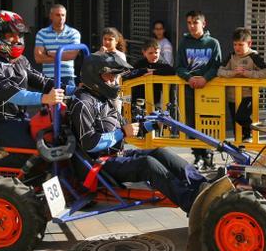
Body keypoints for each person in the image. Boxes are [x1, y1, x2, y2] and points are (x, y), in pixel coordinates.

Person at [68, 53, 206, 212]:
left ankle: (201, 185)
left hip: (115, 156)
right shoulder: (83, 103)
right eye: (109, 76)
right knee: (147, 164)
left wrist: (152, 124)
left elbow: (126, 128)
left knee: (160, 152)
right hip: (98, 164)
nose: (113, 81)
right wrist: (122, 133)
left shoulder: (101, 97)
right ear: (95, 76)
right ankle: (190, 201)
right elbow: (90, 144)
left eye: (114, 76)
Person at [0, 10, 65, 150]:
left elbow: (43, 81)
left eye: (19, 35)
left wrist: (78, 89)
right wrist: (45, 98)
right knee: (41, 147)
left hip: (18, 119)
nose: (17, 39)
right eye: (11, 35)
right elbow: (9, 92)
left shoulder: (20, 60)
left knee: (55, 136)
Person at [176, 10, 222, 168]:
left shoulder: (213, 43)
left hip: (209, 90)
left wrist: (205, 78)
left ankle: (209, 155)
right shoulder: (183, 43)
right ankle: (197, 156)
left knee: (209, 123)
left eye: (195, 22)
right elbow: (178, 67)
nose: (192, 26)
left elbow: (217, 66)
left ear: (203, 23)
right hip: (189, 89)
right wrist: (189, 78)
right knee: (191, 124)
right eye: (189, 23)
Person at [218, 27, 266, 142]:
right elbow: (220, 71)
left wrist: (248, 73)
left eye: (241, 45)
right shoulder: (231, 56)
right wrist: (233, 73)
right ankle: (238, 152)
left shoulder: (254, 56)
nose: (237, 48)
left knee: (241, 117)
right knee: (236, 125)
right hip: (232, 97)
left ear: (249, 43)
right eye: (235, 44)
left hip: (248, 95)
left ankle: (250, 132)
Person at [34, 4, 81, 87]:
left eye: (63, 15)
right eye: (58, 15)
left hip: (67, 77)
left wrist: (50, 53)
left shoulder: (73, 33)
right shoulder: (41, 33)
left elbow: (72, 55)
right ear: (51, 16)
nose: (61, 18)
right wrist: (61, 55)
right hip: (48, 77)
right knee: (47, 100)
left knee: (68, 100)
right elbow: (38, 58)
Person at [129, 38, 177, 109]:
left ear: (160, 51)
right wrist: (145, 70)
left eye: (156, 52)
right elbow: (130, 74)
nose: (154, 55)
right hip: (140, 99)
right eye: (150, 53)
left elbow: (172, 71)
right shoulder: (139, 64)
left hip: (157, 101)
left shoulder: (162, 63)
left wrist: (154, 72)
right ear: (144, 53)